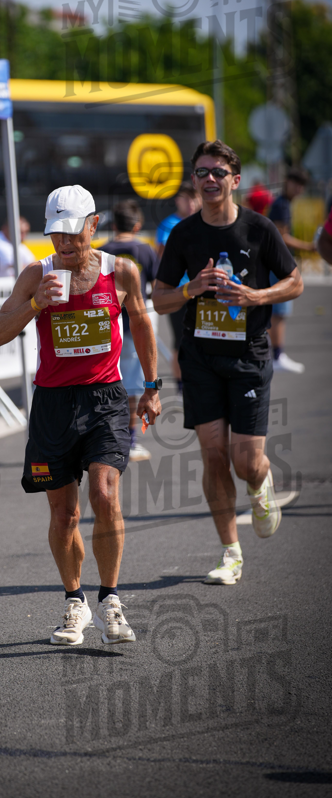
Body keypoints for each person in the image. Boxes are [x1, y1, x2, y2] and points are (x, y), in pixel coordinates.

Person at [0, 184, 161, 645]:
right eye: (55, 233)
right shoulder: (36, 274)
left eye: (73, 232)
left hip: (105, 399)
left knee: (105, 493)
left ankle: (111, 601)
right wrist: (35, 304)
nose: (64, 242)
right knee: (64, 514)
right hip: (53, 404)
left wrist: (151, 387)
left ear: (93, 225)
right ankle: (75, 601)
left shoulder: (121, 271)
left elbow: (142, 322)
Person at [153, 140, 303, 586]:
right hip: (200, 356)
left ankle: (260, 482)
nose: (210, 179)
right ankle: (230, 553)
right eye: (202, 172)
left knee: (245, 462)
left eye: (218, 172)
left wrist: (257, 295)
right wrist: (191, 289)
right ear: (194, 180)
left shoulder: (259, 229)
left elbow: (295, 282)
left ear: (235, 180)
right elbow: (159, 299)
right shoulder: (183, 234)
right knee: (213, 454)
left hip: (248, 354)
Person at [100, 200, 159, 461]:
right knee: (133, 387)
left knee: (105, 382)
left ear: (114, 225)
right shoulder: (146, 250)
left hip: (106, 326)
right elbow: (157, 288)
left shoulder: (102, 252)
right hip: (135, 325)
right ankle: (130, 440)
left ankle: (105, 437)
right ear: (137, 225)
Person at [155, 182, 202, 393]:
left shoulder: (203, 221)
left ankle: (200, 379)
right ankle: (181, 383)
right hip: (178, 292)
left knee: (203, 337)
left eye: (194, 198)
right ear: (177, 200)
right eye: (186, 198)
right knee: (180, 339)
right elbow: (162, 257)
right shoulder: (169, 225)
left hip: (202, 291)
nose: (191, 203)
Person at [268, 168, 315, 373]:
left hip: (277, 263)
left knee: (278, 312)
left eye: (302, 185)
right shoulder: (281, 205)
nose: (299, 189)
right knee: (279, 312)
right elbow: (282, 236)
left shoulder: (283, 203)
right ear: (287, 182)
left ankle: (276, 355)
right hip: (278, 264)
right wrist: (309, 247)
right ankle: (277, 356)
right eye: (297, 184)